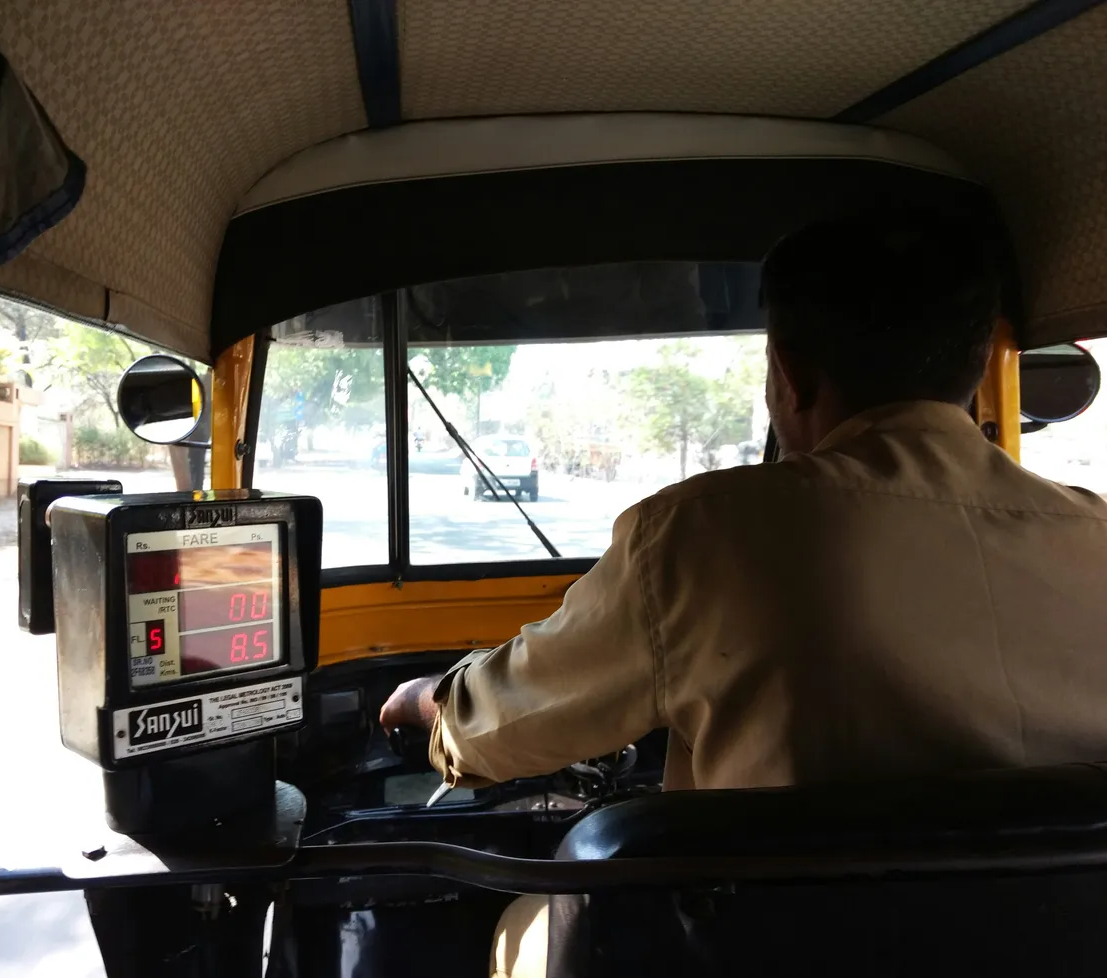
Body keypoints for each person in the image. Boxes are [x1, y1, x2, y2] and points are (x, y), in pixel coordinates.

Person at [379, 216, 1107, 978]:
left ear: (789, 373)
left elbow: (509, 723)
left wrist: (431, 705)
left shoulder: (704, 534)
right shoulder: (1092, 535)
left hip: (778, 944)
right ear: (976, 361)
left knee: (524, 926)